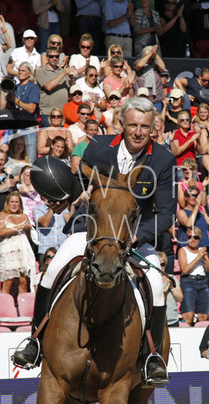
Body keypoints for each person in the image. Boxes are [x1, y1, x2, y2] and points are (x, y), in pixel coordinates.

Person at [13, 98, 175, 385]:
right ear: (123, 125)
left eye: (145, 127)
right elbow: (77, 184)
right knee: (52, 269)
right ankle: (35, 341)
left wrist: (136, 236)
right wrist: (63, 200)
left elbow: (165, 213)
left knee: (155, 287)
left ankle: (152, 358)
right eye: (133, 125)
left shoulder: (163, 159)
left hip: (133, 238)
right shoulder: (99, 147)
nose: (138, 132)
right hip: (92, 232)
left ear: (154, 128)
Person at [0, 192, 36, 295]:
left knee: (23, 282)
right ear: (8, 203)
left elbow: (28, 238)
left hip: (22, 251)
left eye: (16, 202)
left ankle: (22, 309)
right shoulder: (3, 215)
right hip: (8, 252)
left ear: (20, 204)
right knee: (8, 283)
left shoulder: (24, 216)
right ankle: (3, 309)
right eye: (12, 202)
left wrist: (27, 230)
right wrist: (20, 228)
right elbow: (2, 232)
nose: (14, 204)